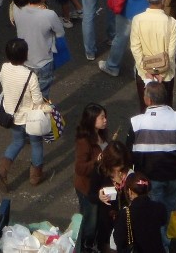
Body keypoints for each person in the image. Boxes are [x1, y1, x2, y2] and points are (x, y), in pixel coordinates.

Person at [124, 81, 176, 219]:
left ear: (148, 100)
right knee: (171, 210)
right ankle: (168, 237)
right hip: (174, 175)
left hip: (150, 177)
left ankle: (160, 239)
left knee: (155, 213)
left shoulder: (136, 122)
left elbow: (128, 152)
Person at [0, 37, 49, 190]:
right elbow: (38, 100)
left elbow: (2, 81)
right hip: (30, 118)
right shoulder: (30, 76)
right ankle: (35, 176)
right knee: (36, 144)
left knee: (17, 142)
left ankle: (2, 170)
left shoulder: (4, 68)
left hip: (12, 115)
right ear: (26, 55)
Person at [9, 0, 66, 97]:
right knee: (41, 98)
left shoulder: (17, 8)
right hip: (43, 63)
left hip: (23, 60)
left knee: (25, 95)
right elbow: (60, 33)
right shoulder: (49, 15)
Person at [129, 0, 176, 107]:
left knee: (145, 108)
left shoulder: (137, 20)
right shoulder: (171, 22)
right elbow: (171, 53)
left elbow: (135, 48)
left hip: (145, 73)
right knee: (166, 107)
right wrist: (161, 73)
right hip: (165, 74)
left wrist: (146, 70)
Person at [74, 104, 109, 251]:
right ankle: (85, 245)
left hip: (99, 185)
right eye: (102, 117)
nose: (105, 120)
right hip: (87, 188)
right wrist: (97, 161)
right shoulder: (84, 141)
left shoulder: (100, 134)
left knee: (98, 218)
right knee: (90, 220)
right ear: (91, 120)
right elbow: (80, 168)